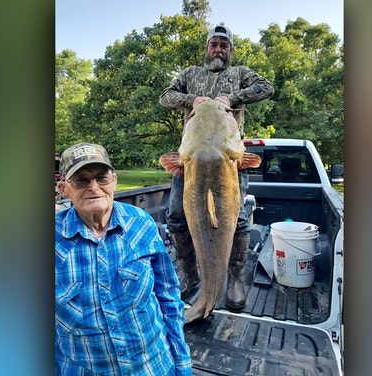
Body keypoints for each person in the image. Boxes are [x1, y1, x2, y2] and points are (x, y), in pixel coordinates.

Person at [159, 24, 274, 311]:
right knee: (175, 216)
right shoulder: (189, 74)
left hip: (229, 159)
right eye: (214, 44)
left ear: (230, 50)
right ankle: (189, 274)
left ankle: (235, 280)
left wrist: (232, 99)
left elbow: (267, 87)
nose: (219, 49)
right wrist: (191, 100)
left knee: (239, 221)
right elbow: (165, 97)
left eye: (224, 44)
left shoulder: (240, 74)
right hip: (191, 160)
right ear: (206, 48)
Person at [55, 142, 192, 376]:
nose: (94, 187)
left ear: (114, 181)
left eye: (102, 178)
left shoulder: (140, 223)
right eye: (81, 181)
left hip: (153, 368)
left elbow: (168, 297)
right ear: (63, 189)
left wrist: (182, 364)